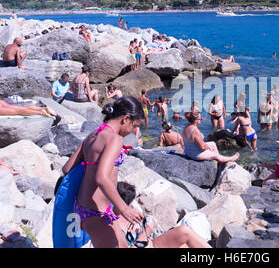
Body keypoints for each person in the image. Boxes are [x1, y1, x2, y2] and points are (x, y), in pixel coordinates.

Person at [61, 97, 146, 248]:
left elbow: (67, 169)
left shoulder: (93, 135)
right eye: (134, 126)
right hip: (96, 212)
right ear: (126, 119)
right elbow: (102, 178)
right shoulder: (114, 139)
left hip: (87, 207)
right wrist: (125, 208)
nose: (133, 131)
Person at [115, 182, 211, 248]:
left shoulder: (131, 213)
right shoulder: (111, 223)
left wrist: (147, 227)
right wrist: (143, 235)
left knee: (184, 230)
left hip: (151, 244)